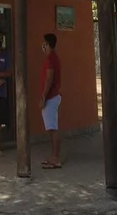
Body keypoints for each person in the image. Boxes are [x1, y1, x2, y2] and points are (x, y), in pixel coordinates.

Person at [40, 32, 62, 169]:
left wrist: (43, 97)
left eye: (44, 43)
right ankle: (53, 156)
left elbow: (49, 78)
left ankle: (55, 158)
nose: (42, 45)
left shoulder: (50, 59)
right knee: (51, 128)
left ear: (47, 44)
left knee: (53, 129)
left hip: (51, 98)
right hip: (53, 96)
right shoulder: (54, 58)